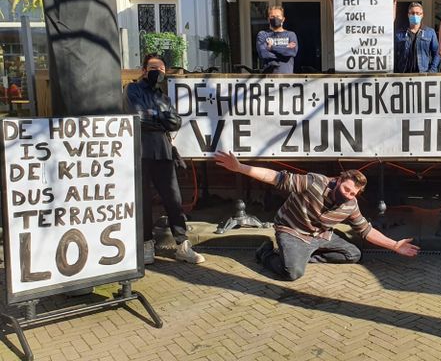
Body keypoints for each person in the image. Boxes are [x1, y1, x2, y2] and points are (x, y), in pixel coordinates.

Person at [213, 151, 420, 281]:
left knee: (353, 255)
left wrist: (394, 245)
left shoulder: (351, 205)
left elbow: (365, 230)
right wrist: (240, 168)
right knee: (292, 273)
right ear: (338, 181)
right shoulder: (314, 182)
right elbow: (276, 178)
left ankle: (304, 255)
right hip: (291, 230)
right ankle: (266, 253)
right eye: (346, 189)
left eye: (352, 193)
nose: (347, 195)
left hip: (320, 236)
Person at [123, 54, 205, 265]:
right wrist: (162, 117)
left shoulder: (164, 97)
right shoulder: (132, 90)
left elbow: (176, 122)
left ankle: (182, 245)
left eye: (161, 68)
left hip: (164, 151)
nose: (157, 71)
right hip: (140, 151)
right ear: (143, 70)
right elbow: (137, 117)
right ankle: (146, 244)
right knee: (143, 201)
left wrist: (155, 115)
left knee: (174, 200)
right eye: (153, 67)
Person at [394, 2, 440, 73]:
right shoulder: (399, 33)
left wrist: (432, 71)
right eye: (412, 13)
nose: (415, 15)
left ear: (422, 15)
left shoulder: (430, 32)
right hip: (403, 74)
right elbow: (394, 54)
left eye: (418, 13)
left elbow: (437, 53)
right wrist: (396, 71)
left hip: (423, 74)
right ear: (408, 15)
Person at [256, 5, 298, 73]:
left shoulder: (291, 35)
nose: (275, 18)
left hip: (287, 79)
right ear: (268, 19)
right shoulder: (263, 34)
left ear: (283, 19)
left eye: (278, 16)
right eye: (272, 16)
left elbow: (291, 52)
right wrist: (285, 49)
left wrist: (271, 48)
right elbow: (263, 54)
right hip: (268, 79)